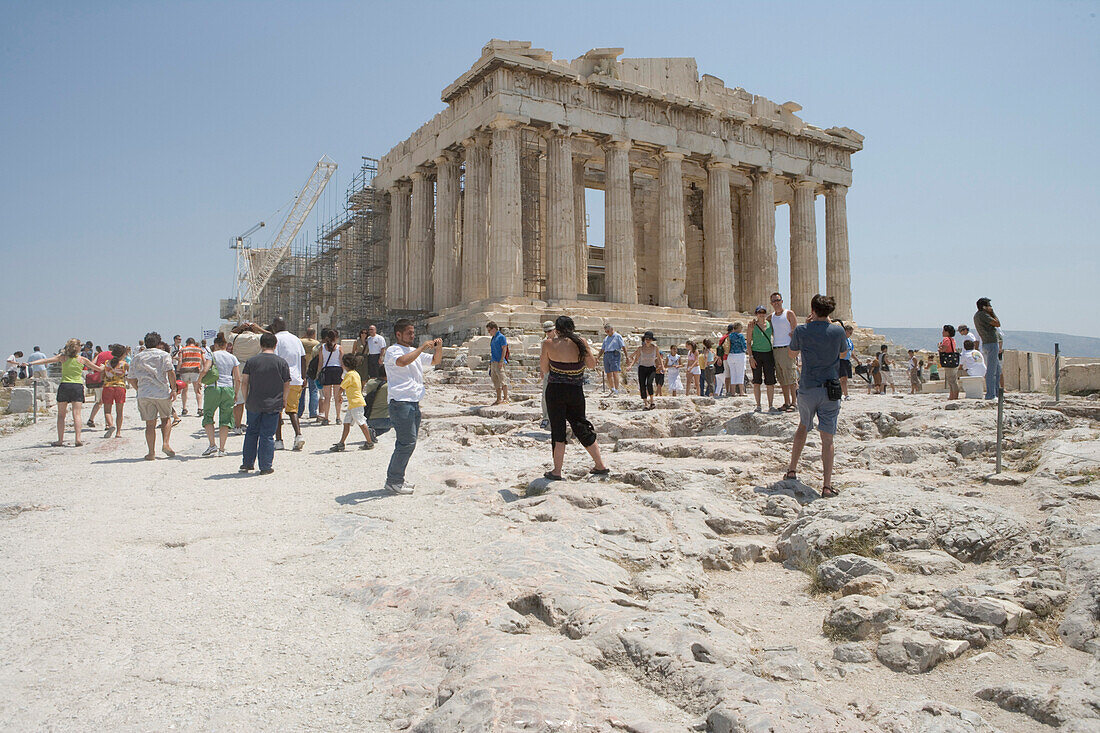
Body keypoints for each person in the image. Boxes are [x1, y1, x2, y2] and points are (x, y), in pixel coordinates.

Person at [784, 294, 847, 498]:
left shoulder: (802, 330)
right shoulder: (838, 331)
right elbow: (843, 355)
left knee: (803, 426)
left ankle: (792, 469)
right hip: (830, 389)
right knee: (827, 439)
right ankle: (827, 486)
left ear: (812, 309)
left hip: (808, 387)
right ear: (830, 312)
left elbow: (792, 354)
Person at [539, 315, 609, 481]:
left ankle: (557, 471)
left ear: (557, 329)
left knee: (558, 430)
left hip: (555, 391)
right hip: (575, 391)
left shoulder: (548, 344)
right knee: (581, 425)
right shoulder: (581, 342)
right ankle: (600, 465)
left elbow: (544, 368)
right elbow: (592, 365)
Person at [382, 319, 443, 494]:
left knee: (408, 443)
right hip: (401, 402)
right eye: (409, 332)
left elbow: (434, 361)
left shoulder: (412, 351)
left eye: (413, 332)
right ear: (398, 334)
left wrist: (438, 347)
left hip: (413, 402)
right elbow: (401, 362)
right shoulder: (393, 350)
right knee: (405, 443)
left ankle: (396, 478)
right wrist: (422, 347)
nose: (412, 335)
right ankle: (393, 481)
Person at [26, 339, 104, 446]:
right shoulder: (83, 359)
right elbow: (98, 369)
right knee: (77, 414)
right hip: (77, 386)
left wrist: (30, 363)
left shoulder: (63, 358)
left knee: (61, 415)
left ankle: (60, 440)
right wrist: (103, 367)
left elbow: (46, 361)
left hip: (64, 386)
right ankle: (78, 439)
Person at [239, 332, 290, 475]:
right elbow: (287, 383)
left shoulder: (251, 361)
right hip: (273, 403)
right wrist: (284, 399)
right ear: (275, 345)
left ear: (260, 345)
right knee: (267, 435)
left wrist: (246, 398)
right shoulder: (281, 362)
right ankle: (265, 466)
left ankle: (247, 463)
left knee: (251, 432)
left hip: (254, 402)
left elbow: (244, 382)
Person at [127, 332, 177, 459]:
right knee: (165, 419)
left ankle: (151, 452)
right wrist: (174, 389)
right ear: (158, 343)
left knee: (149, 424)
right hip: (161, 392)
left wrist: (139, 389)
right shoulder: (164, 355)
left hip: (144, 393)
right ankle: (165, 443)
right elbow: (170, 372)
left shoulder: (137, 357)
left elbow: (131, 378)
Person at [200, 333, 240, 457]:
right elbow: (237, 378)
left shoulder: (211, 355)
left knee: (208, 416)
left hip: (214, 387)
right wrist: (236, 393)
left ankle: (212, 445)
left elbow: (205, 369)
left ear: (216, 345)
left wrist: (198, 381)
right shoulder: (232, 357)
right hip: (228, 388)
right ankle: (222, 449)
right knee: (225, 419)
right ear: (226, 345)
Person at [271, 317, 306, 451]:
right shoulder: (296, 339)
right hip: (296, 379)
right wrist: (303, 377)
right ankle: (298, 435)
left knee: (277, 412)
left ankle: (279, 440)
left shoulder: (276, 339)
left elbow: (275, 360)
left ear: (275, 326)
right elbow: (303, 359)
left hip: (281, 380)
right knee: (293, 410)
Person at [329, 353, 375, 451]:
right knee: (346, 423)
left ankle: (369, 442)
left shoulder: (349, 375)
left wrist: (338, 396)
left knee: (361, 423)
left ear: (345, 364)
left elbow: (341, 387)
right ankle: (341, 443)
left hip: (355, 403)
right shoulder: (355, 373)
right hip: (353, 403)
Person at [229, 322, 265, 434]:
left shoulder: (236, 338)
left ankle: (238, 426)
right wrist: (260, 328)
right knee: (253, 398)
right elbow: (272, 335)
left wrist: (240, 328)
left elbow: (229, 333)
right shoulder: (258, 338)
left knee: (239, 400)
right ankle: (252, 424)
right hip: (253, 367)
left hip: (239, 368)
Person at [769, 292, 800, 411]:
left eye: (778, 300)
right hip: (776, 349)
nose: (776, 303)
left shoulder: (789, 313)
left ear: (782, 301)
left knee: (791, 377)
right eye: (774, 301)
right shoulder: (771, 317)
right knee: (782, 378)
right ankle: (786, 402)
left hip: (788, 348)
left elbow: (795, 331)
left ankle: (794, 403)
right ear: (771, 303)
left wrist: (795, 349)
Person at [625, 331, 662, 410]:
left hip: (651, 368)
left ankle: (652, 401)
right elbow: (636, 359)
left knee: (649, 383)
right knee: (642, 385)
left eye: (649, 339)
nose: (648, 340)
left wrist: (662, 367)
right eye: (646, 339)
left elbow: (659, 358)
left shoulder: (655, 348)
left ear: (652, 340)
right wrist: (630, 366)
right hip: (642, 368)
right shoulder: (640, 348)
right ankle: (645, 403)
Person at [749, 306, 776, 412]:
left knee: (770, 381)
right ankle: (758, 405)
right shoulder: (752, 326)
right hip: (756, 354)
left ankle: (770, 405)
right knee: (757, 381)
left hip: (768, 354)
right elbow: (748, 342)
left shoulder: (770, 325)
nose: (761, 314)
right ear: (756, 314)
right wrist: (751, 357)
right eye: (759, 312)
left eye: (763, 312)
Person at [973, 297, 1002, 400]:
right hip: (991, 343)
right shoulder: (983, 315)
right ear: (984, 307)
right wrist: (992, 313)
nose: (991, 307)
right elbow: (997, 323)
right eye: (989, 305)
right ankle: (990, 394)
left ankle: (997, 392)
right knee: (991, 370)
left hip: (986, 343)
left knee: (997, 369)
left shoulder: (977, 315)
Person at [100, 344, 129, 438]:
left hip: (108, 387)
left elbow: (102, 376)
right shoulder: (124, 364)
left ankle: (111, 425)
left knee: (107, 411)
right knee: (119, 412)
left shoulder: (107, 363)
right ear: (123, 354)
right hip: (120, 387)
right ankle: (118, 432)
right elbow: (129, 376)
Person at [317, 328, 344, 424]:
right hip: (337, 371)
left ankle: (326, 417)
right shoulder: (339, 348)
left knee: (327, 397)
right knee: (337, 396)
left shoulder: (322, 347)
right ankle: (338, 417)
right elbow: (342, 362)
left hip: (326, 370)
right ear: (336, 338)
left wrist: (319, 374)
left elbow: (320, 363)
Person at [177, 338, 207, 416]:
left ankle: (184, 408)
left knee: (185, 390)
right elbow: (204, 361)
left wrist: (177, 371)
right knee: (197, 390)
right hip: (196, 370)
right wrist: (205, 370)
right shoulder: (199, 350)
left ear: (187, 343)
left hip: (185, 370)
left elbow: (180, 360)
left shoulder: (183, 349)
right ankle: (200, 408)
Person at [83, 346, 109, 427]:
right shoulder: (113, 355)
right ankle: (107, 424)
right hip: (107, 380)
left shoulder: (99, 355)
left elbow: (92, 364)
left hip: (97, 380)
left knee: (99, 401)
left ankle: (91, 419)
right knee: (107, 403)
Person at [298, 327, 320, 420]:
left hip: (302, 368)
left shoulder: (300, 341)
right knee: (313, 390)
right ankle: (313, 412)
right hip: (312, 369)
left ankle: (299, 412)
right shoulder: (316, 343)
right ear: (314, 334)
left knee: (301, 391)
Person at [598, 323, 625, 395]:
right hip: (606, 355)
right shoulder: (606, 338)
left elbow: (623, 346)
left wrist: (627, 356)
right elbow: (602, 349)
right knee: (608, 373)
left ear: (612, 329)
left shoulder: (617, 336)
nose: (607, 333)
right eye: (605, 331)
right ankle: (612, 389)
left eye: (608, 331)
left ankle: (616, 389)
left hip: (614, 354)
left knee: (615, 372)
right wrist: (597, 357)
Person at [487, 321, 510, 405]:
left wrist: (501, 360)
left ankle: (506, 398)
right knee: (495, 380)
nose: (489, 332)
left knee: (503, 379)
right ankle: (498, 399)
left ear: (494, 329)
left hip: (499, 362)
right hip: (493, 362)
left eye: (489, 330)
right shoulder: (493, 338)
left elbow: (504, 349)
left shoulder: (501, 337)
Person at [538, 320, 556, 429]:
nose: (548, 333)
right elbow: (542, 357)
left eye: (549, 331)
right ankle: (546, 418)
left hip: (558, 371)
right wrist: (541, 370)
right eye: (546, 332)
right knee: (545, 395)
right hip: (548, 371)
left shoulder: (560, 341)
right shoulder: (544, 342)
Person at [938, 324, 961, 401]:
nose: (942, 332)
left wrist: (939, 347)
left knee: (951, 380)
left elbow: (943, 349)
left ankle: (954, 395)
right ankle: (952, 395)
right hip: (953, 360)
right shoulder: (952, 340)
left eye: (944, 331)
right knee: (952, 379)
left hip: (948, 360)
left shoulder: (946, 339)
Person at [726, 323, 748, 397]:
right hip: (739, 355)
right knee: (740, 374)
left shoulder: (730, 336)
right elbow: (744, 346)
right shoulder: (740, 336)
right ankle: (741, 392)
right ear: (738, 328)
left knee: (733, 373)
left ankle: (732, 392)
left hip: (731, 355)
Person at [839, 325, 859, 399]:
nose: (850, 334)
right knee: (843, 378)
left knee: (845, 379)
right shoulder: (841, 340)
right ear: (845, 331)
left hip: (847, 361)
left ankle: (841, 394)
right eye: (849, 333)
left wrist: (857, 360)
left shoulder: (849, 341)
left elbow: (851, 352)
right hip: (841, 360)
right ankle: (846, 395)